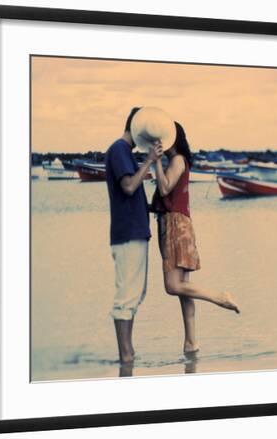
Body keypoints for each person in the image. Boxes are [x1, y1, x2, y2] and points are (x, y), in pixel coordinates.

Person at [151, 122, 240, 355]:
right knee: (183, 289)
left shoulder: (177, 160)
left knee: (173, 287)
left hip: (174, 225)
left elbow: (164, 188)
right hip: (181, 224)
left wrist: (156, 161)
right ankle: (191, 342)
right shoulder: (180, 161)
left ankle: (219, 297)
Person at [104, 107, 162, 364]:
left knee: (135, 295)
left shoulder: (124, 152)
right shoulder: (119, 149)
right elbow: (128, 186)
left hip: (134, 232)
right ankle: (125, 354)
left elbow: (130, 191)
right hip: (128, 234)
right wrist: (149, 161)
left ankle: (128, 354)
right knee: (127, 297)